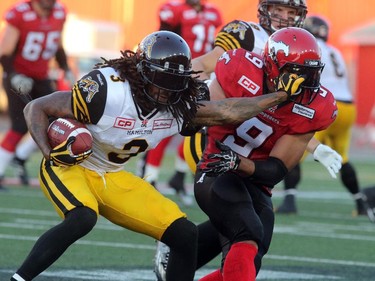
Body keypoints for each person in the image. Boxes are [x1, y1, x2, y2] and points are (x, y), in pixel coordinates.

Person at [10, 30, 296, 281]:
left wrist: (280, 96)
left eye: (174, 81)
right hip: (70, 166)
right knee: (82, 218)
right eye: (160, 79)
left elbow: (227, 111)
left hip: (112, 175)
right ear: (142, 71)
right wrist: (50, 153)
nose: (166, 89)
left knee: (185, 233)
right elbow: (35, 108)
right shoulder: (108, 91)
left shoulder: (180, 103)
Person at [195, 27, 337, 281]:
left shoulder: (316, 105)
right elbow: (209, 117)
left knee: (251, 255)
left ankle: (180, 249)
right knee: (246, 232)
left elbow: (276, 170)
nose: (306, 80)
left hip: (255, 177)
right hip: (217, 163)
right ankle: (178, 250)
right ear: (272, 66)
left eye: (311, 72)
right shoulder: (240, 67)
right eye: (297, 72)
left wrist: (240, 163)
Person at [274, 15, 375, 221]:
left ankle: (289, 201)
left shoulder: (309, 49)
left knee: (297, 147)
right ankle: (360, 203)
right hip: (347, 107)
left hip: (325, 104)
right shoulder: (335, 51)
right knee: (342, 157)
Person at [138, 0, 222, 206]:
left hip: (202, 77)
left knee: (197, 127)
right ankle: (150, 178)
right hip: (177, 74)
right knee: (164, 124)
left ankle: (178, 176)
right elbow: (162, 41)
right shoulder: (174, 10)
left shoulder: (213, 13)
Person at [0, 0, 74, 190]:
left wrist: (65, 68)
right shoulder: (19, 14)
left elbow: (57, 45)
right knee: (19, 125)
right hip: (18, 77)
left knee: (58, 124)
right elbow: (4, 51)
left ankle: (21, 156)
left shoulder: (59, 12)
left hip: (41, 78)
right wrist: (14, 75)